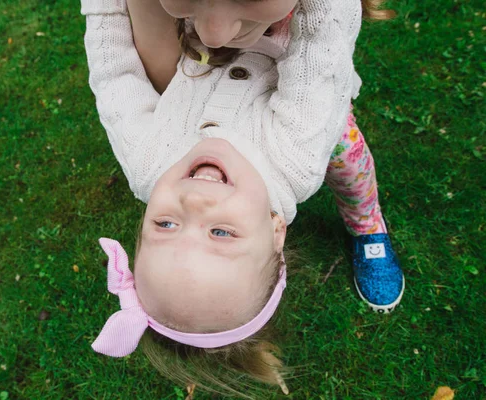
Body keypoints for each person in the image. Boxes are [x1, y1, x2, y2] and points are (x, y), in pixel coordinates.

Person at [81, 0, 404, 395]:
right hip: (305, 82)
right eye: (220, 233)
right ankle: (367, 225)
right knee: (349, 164)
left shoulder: (146, 163)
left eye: (165, 225)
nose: (194, 202)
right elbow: (321, 43)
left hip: (197, 45)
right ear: (275, 228)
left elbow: (115, 75)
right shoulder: (295, 159)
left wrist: (103, 6)